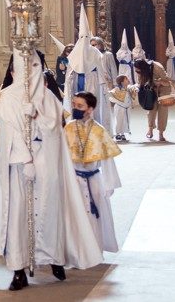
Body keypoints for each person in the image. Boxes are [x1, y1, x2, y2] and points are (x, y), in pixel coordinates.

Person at [0, 51, 103, 291]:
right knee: (19, 216)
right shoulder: (7, 98)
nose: (29, 71)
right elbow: (9, 133)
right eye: (24, 66)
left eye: (34, 66)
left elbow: (54, 128)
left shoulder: (49, 98)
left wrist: (36, 113)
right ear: (14, 71)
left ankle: (53, 258)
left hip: (46, 161)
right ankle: (18, 268)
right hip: (19, 165)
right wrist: (26, 160)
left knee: (49, 210)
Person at [65, 92, 122, 253]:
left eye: (80, 106)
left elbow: (108, 161)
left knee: (94, 216)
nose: (76, 109)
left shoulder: (99, 131)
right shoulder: (68, 128)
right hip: (74, 179)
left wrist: (109, 184)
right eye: (74, 105)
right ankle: (77, 251)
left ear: (90, 109)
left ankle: (94, 249)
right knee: (75, 216)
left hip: (94, 180)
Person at [63, 5, 112, 132]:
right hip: (77, 82)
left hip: (93, 82)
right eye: (82, 37)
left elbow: (101, 69)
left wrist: (103, 84)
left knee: (92, 107)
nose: (84, 41)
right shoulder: (74, 52)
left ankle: (94, 129)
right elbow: (69, 71)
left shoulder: (95, 52)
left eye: (86, 38)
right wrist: (69, 82)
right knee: (78, 106)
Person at [134, 59, 174, 141]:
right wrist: (138, 88)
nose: (137, 73)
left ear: (143, 68)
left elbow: (167, 82)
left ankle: (161, 133)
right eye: (136, 71)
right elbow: (140, 82)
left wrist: (159, 82)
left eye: (138, 71)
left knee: (163, 111)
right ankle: (150, 129)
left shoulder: (157, 67)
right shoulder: (141, 71)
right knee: (151, 108)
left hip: (163, 89)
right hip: (151, 90)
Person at [108, 75, 134, 141]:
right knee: (119, 120)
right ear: (122, 82)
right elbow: (110, 96)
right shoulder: (117, 89)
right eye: (126, 79)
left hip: (126, 108)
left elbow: (132, 92)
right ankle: (117, 133)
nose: (128, 80)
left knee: (125, 121)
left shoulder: (128, 88)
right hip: (119, 108)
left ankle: (122, 133)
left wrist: (131, 104)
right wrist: (118, 101)